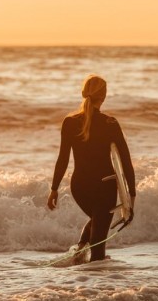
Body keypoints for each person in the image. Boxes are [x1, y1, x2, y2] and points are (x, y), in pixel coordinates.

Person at [47, 74, 136, 262]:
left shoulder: (69, 122)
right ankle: (97, 286)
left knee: (97, 220)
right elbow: (125, 160)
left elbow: (62, 159)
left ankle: (79, 253)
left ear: (83, 93)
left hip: (80, 187)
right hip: (104, 187)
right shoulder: (110, 123)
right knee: (98, 248)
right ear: (104, 95)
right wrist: (131, 196)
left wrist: (54, 189)